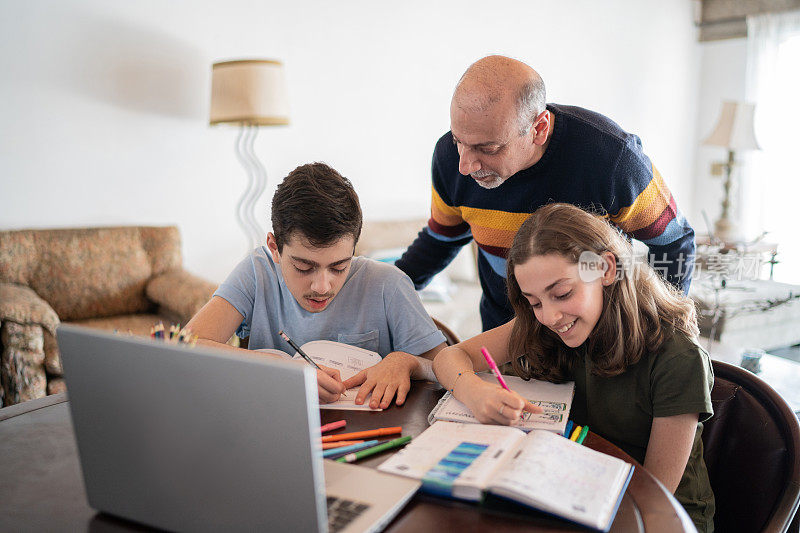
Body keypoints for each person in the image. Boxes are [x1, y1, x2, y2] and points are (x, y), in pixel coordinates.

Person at [431, 203, 714, 532]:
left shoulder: (678, 358)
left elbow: (652, 495)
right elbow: (448, 358)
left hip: (656, 515)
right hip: (570, 485)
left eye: (562, 293)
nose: (550, 316)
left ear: (606, 270)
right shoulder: (545, 326)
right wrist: (474, 391)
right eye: (535, 302)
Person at [395, 55, 696, 332]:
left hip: (599, 338)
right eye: (459, 141)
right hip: (506, 338)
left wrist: (659, 330)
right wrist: (383, 292)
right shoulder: (449, 159)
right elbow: (441, 239)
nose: (465, 165)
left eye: (488, 148)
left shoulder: (612, 159)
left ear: (539, 128)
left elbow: (674, 243)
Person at [186, 162, 447, 409]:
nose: (322, 286)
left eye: (339, 267)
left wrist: (407, 362)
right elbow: (186, 346)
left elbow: (449, 368)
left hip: (367, 438)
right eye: (303, 267)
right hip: (272, 427)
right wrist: (283, 371)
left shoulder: (387, 285)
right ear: (274, 248)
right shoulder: (257, 272)